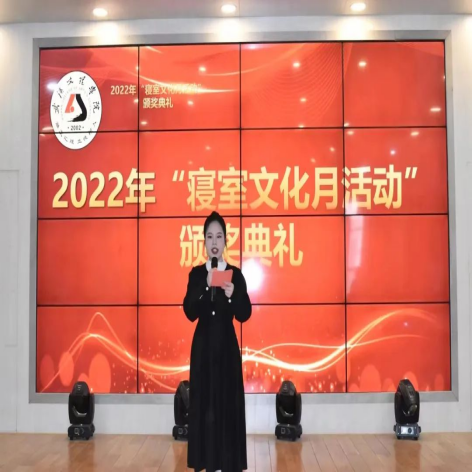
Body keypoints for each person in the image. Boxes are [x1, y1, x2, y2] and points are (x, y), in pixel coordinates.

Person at [184, 211, 252, 472]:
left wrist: (234, 295)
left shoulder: (235, 274)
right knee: (205, 407)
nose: (214, 242)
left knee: (227, 406)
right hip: (203, 351)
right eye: (210, 236)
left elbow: (245, 314)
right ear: (204, 241)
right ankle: (206, 462)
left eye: (219, 236)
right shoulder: (196, 275)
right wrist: (205, 285)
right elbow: (189, 311)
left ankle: (228, 462)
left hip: (227, 351)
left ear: (225, 241)